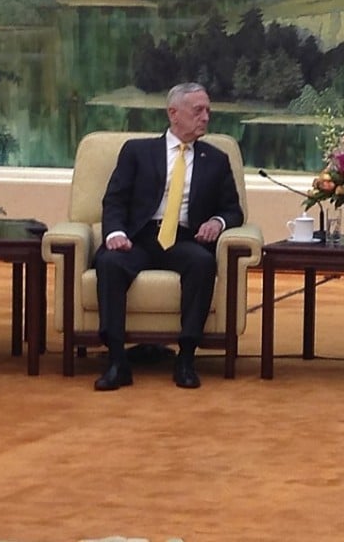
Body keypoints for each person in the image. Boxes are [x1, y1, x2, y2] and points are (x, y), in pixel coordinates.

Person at [93, 82, 244, 391]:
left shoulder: (216, 159)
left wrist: (217, 222)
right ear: (173, 113)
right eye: (198, 110)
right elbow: (115, 200)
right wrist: (116, 234)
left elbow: (233, 211)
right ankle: (117, 361)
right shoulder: (138, 151)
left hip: (185, 238)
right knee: (109, 263)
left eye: (208, 111)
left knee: (202, 264)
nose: (205, 117)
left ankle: (186, 358)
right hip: (140, 235)